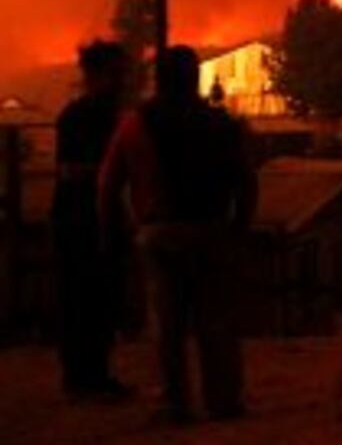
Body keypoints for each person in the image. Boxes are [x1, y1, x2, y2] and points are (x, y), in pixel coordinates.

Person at [99, 46, 257, 423]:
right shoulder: (221, 124)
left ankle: (173, 403)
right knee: (216, 321)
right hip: (212, 232)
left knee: (167, 323)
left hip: (159, 234)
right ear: (195, 77)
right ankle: (223, 401)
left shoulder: (134, 124)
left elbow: (107, 184)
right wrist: (239, 229)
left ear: (158, 78)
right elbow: (246, 182)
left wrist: (113, 234)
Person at [51, 40, 133, 399]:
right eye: (115, 74)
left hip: (95, 214)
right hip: (79, 218)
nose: (121, 81)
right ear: (95, 75)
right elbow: (70, 171)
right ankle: (82, 376)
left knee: (99, 296)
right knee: (83, 295)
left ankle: (92, 373)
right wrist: (109, 174)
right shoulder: (81, 117)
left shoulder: (106, 115)